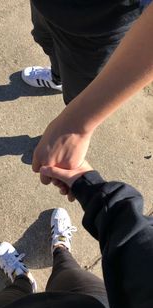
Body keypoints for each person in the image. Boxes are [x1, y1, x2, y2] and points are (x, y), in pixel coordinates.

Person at [0, 161, 153, 308]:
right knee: (67, 270)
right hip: (94, 306)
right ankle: (60, 249)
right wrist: (85, 182)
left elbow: (137, 242)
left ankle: (23, 281)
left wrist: (89, 185)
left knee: (11, 297)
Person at [21, 1, 153, 184]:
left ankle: (57, 134)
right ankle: (56, 78)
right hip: (45, 7)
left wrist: (76, 125)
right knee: (44, 40)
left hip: (98, 28)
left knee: (76, 94)